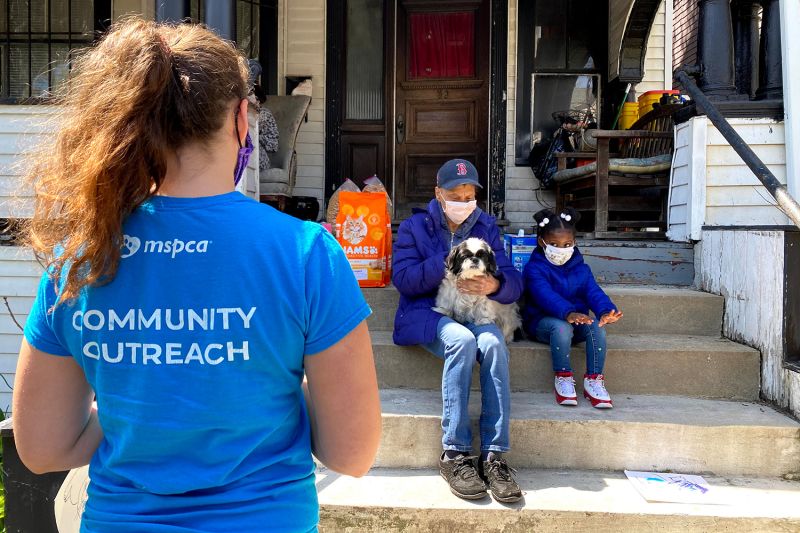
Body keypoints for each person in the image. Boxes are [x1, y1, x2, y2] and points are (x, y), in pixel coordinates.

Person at [12, 19, 381, 532]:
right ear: (239, 122)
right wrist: (264, 389)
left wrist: (135, 405)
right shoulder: (306, 253)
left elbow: (44, 448)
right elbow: (352, 453)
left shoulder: (81, 256)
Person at [392, 159, 523, 503]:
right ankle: (455, 453)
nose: (463, 201)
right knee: (461, 340)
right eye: (455, 194)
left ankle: (494, 455)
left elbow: (514, 283)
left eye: (469, 195)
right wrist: (448, 261)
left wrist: (495, 284)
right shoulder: (414, 227)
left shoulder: (488, 226)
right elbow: (403, 280)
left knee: (493, 343)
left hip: (478, 312)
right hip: (428, 313)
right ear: (438, 193)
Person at [522, 208, 623, 408]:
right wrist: (568, 312)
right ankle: (563, 377)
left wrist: (605, 311)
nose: (561, 249)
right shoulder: (534, 268)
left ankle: (593, 380)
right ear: (542, 241)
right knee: (562, 327)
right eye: (554, 244)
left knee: (596, 327)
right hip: (542, 323)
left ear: (574, 243)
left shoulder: (582, 269)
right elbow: (544, 296)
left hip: (577, 320)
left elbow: (593, 292)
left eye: (567, 244)